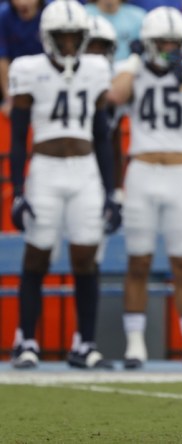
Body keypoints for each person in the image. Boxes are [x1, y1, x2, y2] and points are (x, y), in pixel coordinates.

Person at [107, 6, 182, 369]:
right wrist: (135, 62)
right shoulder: (133, 67)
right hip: (142, 170)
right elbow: (115, 96)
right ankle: (135, 345)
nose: (170, 49)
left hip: (180, 172)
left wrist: (179, 75)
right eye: (162, 43)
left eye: (175, 43)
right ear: (147, 43)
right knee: (138, 261)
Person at [9, 0, 121, 370]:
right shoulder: (28, 69)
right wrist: (18, 190)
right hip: (45, 169)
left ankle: (85, 343)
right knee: (37, 254)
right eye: (63, 37)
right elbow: (18, 135)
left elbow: (103, 136)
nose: (70, 45)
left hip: (85, 169)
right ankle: (26, 339)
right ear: (48, 37)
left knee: (86, 258)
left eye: (76, 37)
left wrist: (111, 192)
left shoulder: (94, 68)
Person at [0, 0, 44, 116]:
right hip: (15, 81)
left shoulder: (52, 12)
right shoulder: (3, 15)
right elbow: (2, 58)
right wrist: (9, 98)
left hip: (45, 79)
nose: (23, 3)